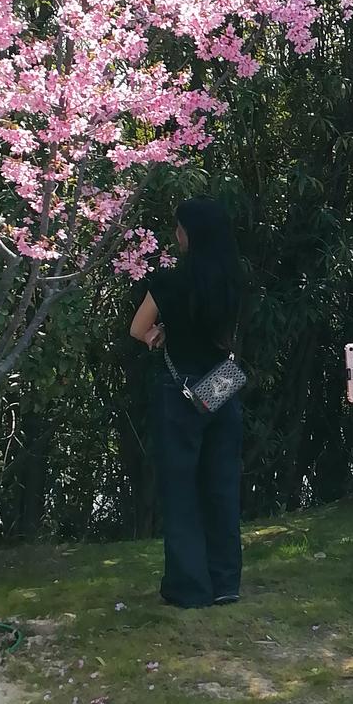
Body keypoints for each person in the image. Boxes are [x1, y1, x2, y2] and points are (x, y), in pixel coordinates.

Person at [130, 198, 244, 609]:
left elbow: (138, 327)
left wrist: (155, 335)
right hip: (222, 386)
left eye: (179, 228)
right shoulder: (232, 279)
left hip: (180, 390)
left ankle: (189, 587)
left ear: (190, 233)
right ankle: (225, 580)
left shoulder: (169, 283)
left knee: (181, 489)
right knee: (222, 484)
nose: (176, 234)